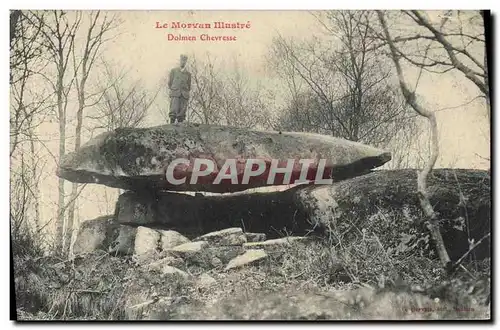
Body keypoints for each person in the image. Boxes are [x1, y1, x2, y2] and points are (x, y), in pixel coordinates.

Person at [168, 54, 191, 124]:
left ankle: (180, 124)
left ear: (186, 62)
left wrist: (185, 91)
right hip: (175, 92)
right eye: (182, 60)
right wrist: (174, 89)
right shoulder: (174, 71)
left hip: (184, 94)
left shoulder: (188, 74)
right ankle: (172, 122)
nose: (183, 62)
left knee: (182, 112)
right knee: (173, 109)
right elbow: (170, 83)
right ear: (179, 61)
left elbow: (189, 85)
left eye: (185, 61)